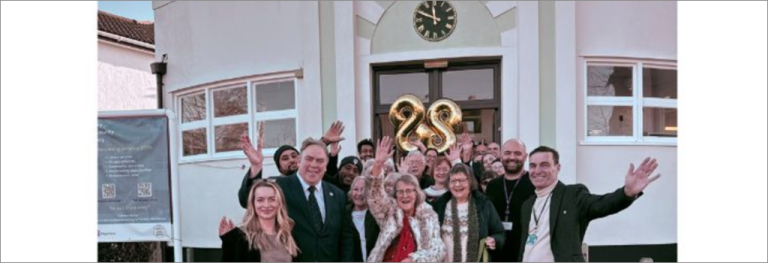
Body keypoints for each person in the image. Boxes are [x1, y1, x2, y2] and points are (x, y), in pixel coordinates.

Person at [519, 146, 661, 262]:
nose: (537, 171)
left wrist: (626, 193)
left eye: (544, 165)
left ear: (558, 167)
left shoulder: (573, 194)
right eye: (533, 166)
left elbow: (602, 204)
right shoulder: (527, 205)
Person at [240, 135, 354, 262]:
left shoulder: (337, 194)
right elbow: (247, 200)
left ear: (326, 165)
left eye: (320, 160)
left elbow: (346, 237)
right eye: (309, 159)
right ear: (299, 161)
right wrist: (256, 167)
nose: (314, 165)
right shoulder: (280, 186)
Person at [366, 136, 446, 262]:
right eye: (400, 192)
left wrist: (415, 259)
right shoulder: (389, 212)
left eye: (409, 191)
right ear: (395, 195)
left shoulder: (427, 215)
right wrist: (378, 164)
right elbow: (375, 196)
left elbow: (438, 250)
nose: (405, 195)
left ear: (417, 193)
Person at [237, 121, 345, 208]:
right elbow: (247, 200)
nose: (292, 160)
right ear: (279, 167)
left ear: (300, 160)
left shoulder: (317, 182)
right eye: (285, 158)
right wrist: (256, 166)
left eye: (294, 156)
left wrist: (324, 143)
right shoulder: (277, 185)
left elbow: (335, 182)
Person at [432, 164, 506, 262]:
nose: (457, 185)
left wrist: (494, 240)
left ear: (470, 182)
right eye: (453, 181)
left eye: (462, 180)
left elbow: (499, 232)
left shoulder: (484, 204)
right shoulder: (439, 205)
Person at [219, 180, 299, 262]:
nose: (266, 205)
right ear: (253, 204)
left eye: (272, 199)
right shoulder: (241, 237)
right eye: (260, 200)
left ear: (280, 203)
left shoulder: (290, 235)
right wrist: (229, 242)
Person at [483, 138, 536, 262]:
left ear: (525, 156)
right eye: (507, 153)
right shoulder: (493, 185)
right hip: (496, 251)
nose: (512, 157)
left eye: (517, 153)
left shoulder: (534, 183)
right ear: (501, 155)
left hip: (525, 252)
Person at [347, 176, 381, 262]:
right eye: (356, 189)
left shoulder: (377, 213)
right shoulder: (344, 213)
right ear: (351, 192)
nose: (359, 193)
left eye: (363, 189)